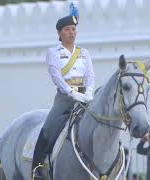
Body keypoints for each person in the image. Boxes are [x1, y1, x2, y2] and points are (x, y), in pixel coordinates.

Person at [32, 14, 95, 178]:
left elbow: (90, 75)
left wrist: (88, 92)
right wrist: (71, 92)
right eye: (67, 29)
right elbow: (56, 77)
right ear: (59, 33)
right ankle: (37, 167)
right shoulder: (53, 52)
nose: (71, 32)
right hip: (65, 99)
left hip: (85, 98)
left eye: (74, 29)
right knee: (48, 128)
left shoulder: (84, 53)